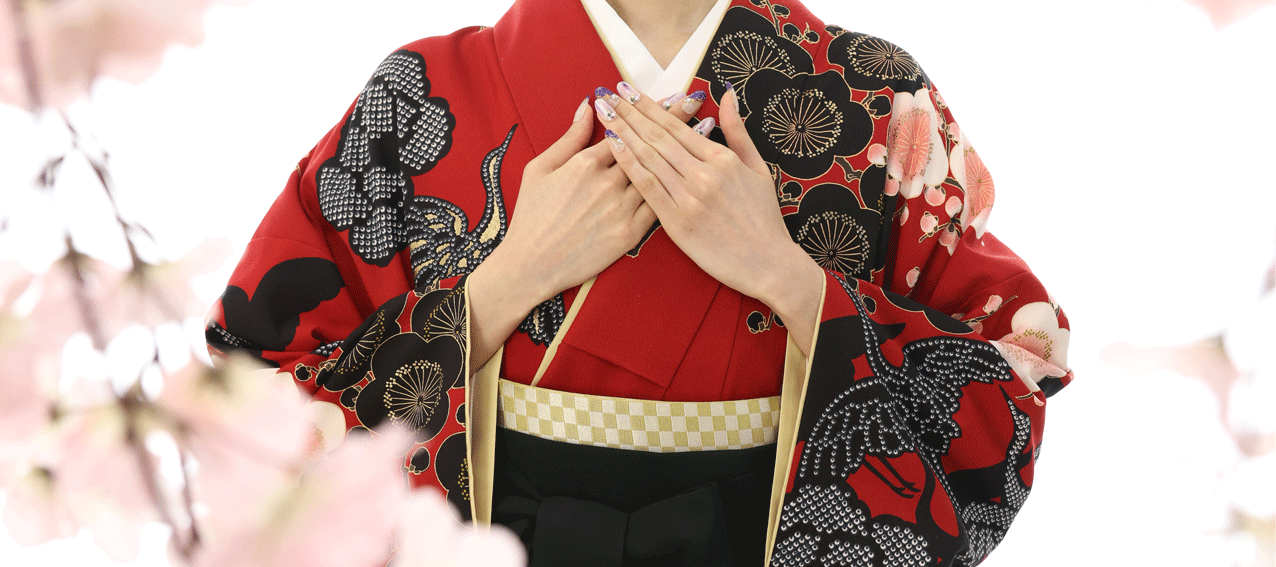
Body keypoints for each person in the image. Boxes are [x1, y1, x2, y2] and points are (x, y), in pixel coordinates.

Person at [206, 0, 1073, 565]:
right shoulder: (421, 94)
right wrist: (507, 280)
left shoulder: (879, 99)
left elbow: (1013, 368)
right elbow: (250, 389)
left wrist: (791, 280)